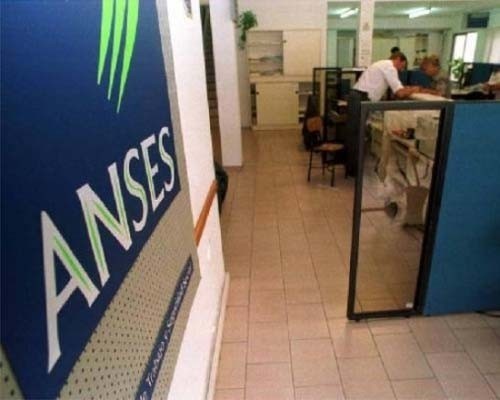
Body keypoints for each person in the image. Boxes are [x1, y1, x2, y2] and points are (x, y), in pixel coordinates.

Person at [353, 52, 420, 101]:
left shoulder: (383, 63)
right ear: (398, 59)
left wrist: (406, 89)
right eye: (402, 66)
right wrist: (415, 89)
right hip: (362, 98)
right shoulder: (390, 68)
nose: (401, 70)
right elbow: (400, 93)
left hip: (357, 95)